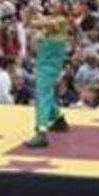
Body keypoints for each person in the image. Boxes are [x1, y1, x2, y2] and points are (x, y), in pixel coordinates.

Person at [26, 9, 71, 149]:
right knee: (45, 95)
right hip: (43, 66)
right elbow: (34, 44)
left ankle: (41, 133)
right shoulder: (50, 29)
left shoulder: (61, 22)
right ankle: (59, 120)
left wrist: (32, 17)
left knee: (42, 97)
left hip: (49, 69)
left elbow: (37, 23)